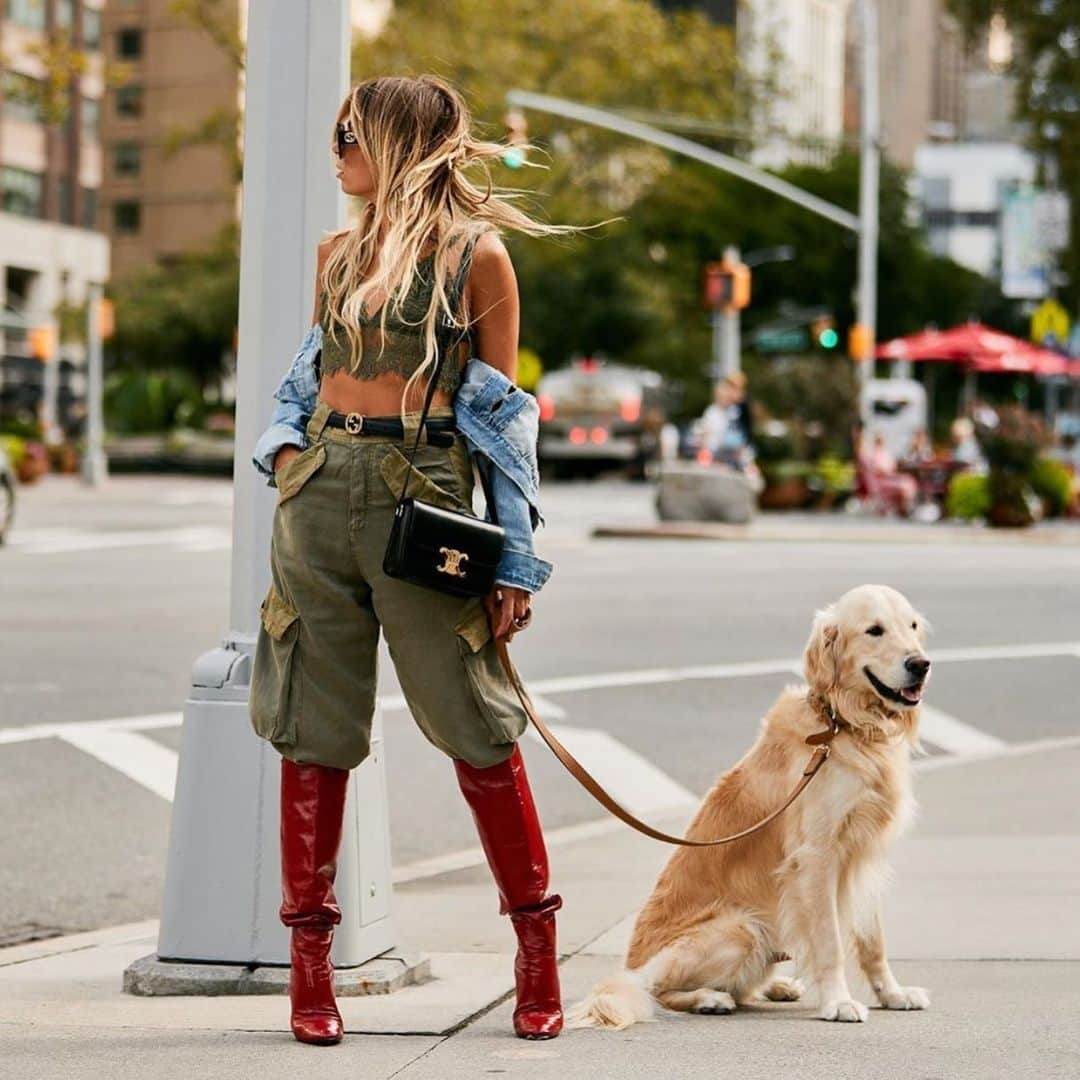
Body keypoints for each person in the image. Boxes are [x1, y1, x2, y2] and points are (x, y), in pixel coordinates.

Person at [248, 75, 609, 1047]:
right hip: (319, 498)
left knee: (478, 724)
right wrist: (285, 452)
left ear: (398, 145)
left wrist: (514, 564)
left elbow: (503, 422)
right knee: (310, 726)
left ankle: (536, 947)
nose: (336, 151)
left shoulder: (478, 258)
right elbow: (308, 372)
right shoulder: (336, 254)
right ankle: (310, 967)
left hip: (427, 499)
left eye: (350, 135)